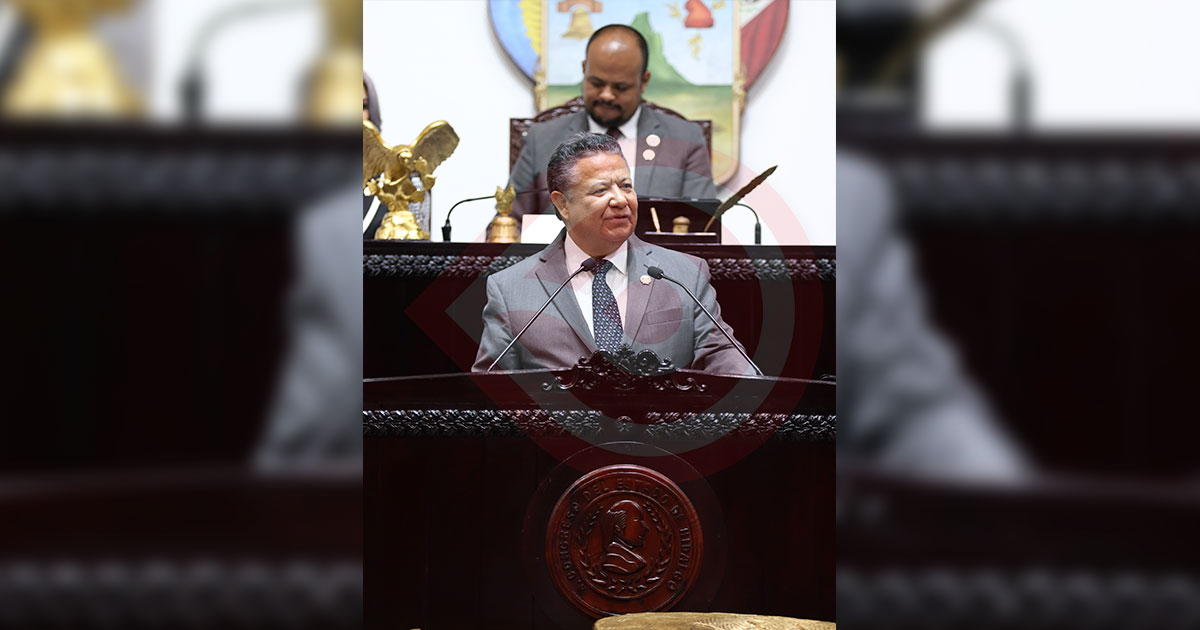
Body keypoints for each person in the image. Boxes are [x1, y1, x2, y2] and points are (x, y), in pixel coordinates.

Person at [473, 132, 750, 374]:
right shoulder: (511, 290)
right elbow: (489, 395)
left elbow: (724, 357)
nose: (620, 199)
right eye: (601, 190)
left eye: (626, 186)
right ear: (563, 204)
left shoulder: (684, 275)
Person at [507, 24, 717, 230]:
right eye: (596, 83)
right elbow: (508, 224)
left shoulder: (685, 140)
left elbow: (705, 229)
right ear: (584, 70)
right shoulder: (541, 139)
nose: (606, 95)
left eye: (620, 87)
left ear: (644, 81)